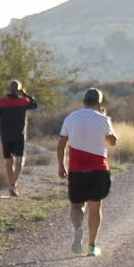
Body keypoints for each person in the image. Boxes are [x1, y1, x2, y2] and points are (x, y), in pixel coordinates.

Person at [57, 88, 117, 257]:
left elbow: (61, 145)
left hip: (76, 169)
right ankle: (91, 246)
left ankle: (78, 228)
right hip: (98, 169)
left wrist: (61, 166)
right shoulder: (103, 119)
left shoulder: (71, 118)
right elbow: (112, 142)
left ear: (83, 101)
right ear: (99, 103)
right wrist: (104, 119)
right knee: (95, 207)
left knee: (76, 205)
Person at [0, 80, 38, 196]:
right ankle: (13, 184)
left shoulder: (1, 102)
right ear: (19, 90)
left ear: (9, 89)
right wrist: (25, 94)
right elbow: (34, 105)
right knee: (20, 160)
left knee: (9, 161)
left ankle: (12, 185)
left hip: (5, 136)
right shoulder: (23, 101)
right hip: (18, 136)